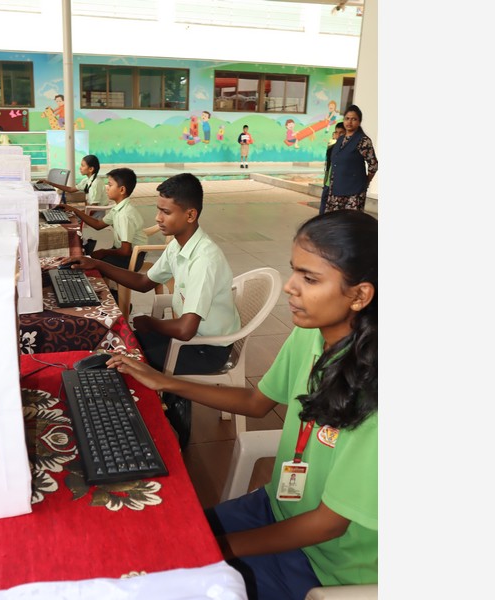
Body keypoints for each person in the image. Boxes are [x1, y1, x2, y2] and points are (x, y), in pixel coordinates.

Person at [107, 209, 378, 600]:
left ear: (359, 295)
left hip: (325, 565)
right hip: (278, 505)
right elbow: (255, 400)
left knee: (167, 572)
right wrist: (167, 382)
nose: (290, 287)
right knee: (154, 540)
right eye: (294, 271)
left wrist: (218, 550)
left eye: (309, 278)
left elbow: (327, 526)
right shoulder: (312, 336)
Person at [62, 173, 241, 448]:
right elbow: (145, 282)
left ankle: (171, 433)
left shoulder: (204, 259)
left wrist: (149, 322)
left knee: (131, 358)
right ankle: (149, 413)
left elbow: (185, 329)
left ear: (190, 214)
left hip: (207, 349)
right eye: (158, 209)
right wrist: (95, 264)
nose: (158, 218)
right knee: (123, 345)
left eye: (165, 212)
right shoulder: (178, 246)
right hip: (191, 339)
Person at [58, 167, 146, 272]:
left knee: (90, 264)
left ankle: (101, 287)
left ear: (122, 190)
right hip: (123, 253)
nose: (107, 188)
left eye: (110, 185)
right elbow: (98, 224)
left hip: (132, 258)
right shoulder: (117, 208)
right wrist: (74, 210)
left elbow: (125, 251)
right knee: (89, 258)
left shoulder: (125, 215)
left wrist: (104, 252)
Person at [37, 154, 110, 255]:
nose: (80, 168)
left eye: (82, 165)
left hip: (96, 215)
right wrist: (50, 183)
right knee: (67, 217)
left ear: (91, 169)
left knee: (69, 222)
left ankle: (77, 248)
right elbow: (71, 189)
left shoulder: (96, 183)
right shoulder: (87, 180)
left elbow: (93, 207)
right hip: (91, 212)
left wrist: (76, 214)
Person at [327, 105, 378, 212]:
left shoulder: (363, 141)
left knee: (351, 224)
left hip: (354, 192)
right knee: (335, 223)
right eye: (347, 119)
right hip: (336, 189)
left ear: (359, 122)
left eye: (354, 119)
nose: (349, 122)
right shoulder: (340, 139)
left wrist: (366, 182)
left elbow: (373, 165)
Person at [319, 122, 346, 215]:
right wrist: (325, 180)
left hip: (339, 185)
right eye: (336, 132)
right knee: (323, 209)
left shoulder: (348, 149)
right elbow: (328, 166)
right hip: (328, 184)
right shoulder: (331, 148)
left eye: (341, 132)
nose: (338, 135)